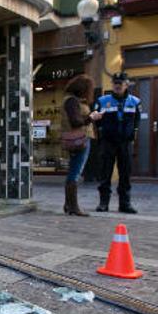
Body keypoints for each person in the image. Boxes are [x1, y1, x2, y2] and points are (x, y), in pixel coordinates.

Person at [94, 71, 142, 213]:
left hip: (125, 143)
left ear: (126, 84)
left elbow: (137, 122)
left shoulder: (135, 101)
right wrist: (101, 132)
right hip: (108, 142)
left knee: (125, 175)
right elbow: (96, 121)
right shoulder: (102, 101)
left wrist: (133, 137)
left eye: (120, 84)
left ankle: (125, 204)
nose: (117, 86)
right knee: (105, 173)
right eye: (115, 83)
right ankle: (103, 203)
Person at [61, 75, 102, 216]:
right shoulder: (72, 101)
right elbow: (76, 122)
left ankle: (69, 205)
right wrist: (91, 117)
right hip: (79, 140)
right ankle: (73, 207)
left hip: (80, 139)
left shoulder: (73, 101)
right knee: (75, 172)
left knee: (74, 171)